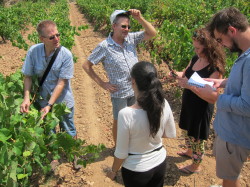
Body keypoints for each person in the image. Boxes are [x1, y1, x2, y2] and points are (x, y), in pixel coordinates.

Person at [82, 9, 157, 144]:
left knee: (134, 117)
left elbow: (152, 33)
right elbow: (86, 65)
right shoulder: (105, 46)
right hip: (119, 92)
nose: (127, 29)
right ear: (114, 26)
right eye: (123, 26)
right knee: (119, 120)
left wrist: (140, 18)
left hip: (135, 89)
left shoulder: (131, 39)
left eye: (128, 26)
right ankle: (118, 147)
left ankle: (131, 143)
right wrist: (103, 84)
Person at [107, 61, 176, 187]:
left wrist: (113, 171)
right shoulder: (164, 103)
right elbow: (169, 133)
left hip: (136, 171)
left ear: (133, 82)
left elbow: (121, 153)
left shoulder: (126, 114)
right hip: (160, 163)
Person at [205, 7, 250, 187]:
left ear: (232, 30)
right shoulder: (245, 53)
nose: (221, 44)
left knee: (230, 177)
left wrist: (216, 98)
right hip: (231, 130)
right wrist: (223, 83)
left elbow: (247, 105)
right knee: (230, 173)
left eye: (220, 39)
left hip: (235, 135)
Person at [170, 28, 225, 174]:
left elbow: (213, 97)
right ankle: (189, 151)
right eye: (194, 47)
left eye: (198, 48)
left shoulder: (215, 68)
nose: (196, 51)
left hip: (201, 108)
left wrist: (189, 85)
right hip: (189, 104)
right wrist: (176, 74)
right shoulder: (195, 59)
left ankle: (195, 165)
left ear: (208, 46)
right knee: (188, 130)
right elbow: (186, 73)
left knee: (197, 138)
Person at [20, 20, 76, 137]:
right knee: (49, 132)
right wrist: (26, 98)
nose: (56, 39)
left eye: (57, 35)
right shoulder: (33, 51)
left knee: (68, 131)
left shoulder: (66, 55)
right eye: (51, 37)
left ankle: (70, 154)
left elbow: (61, 83)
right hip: (42, 100)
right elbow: (28, 76)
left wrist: (49, 105)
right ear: (42, 39)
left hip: (63, 102)